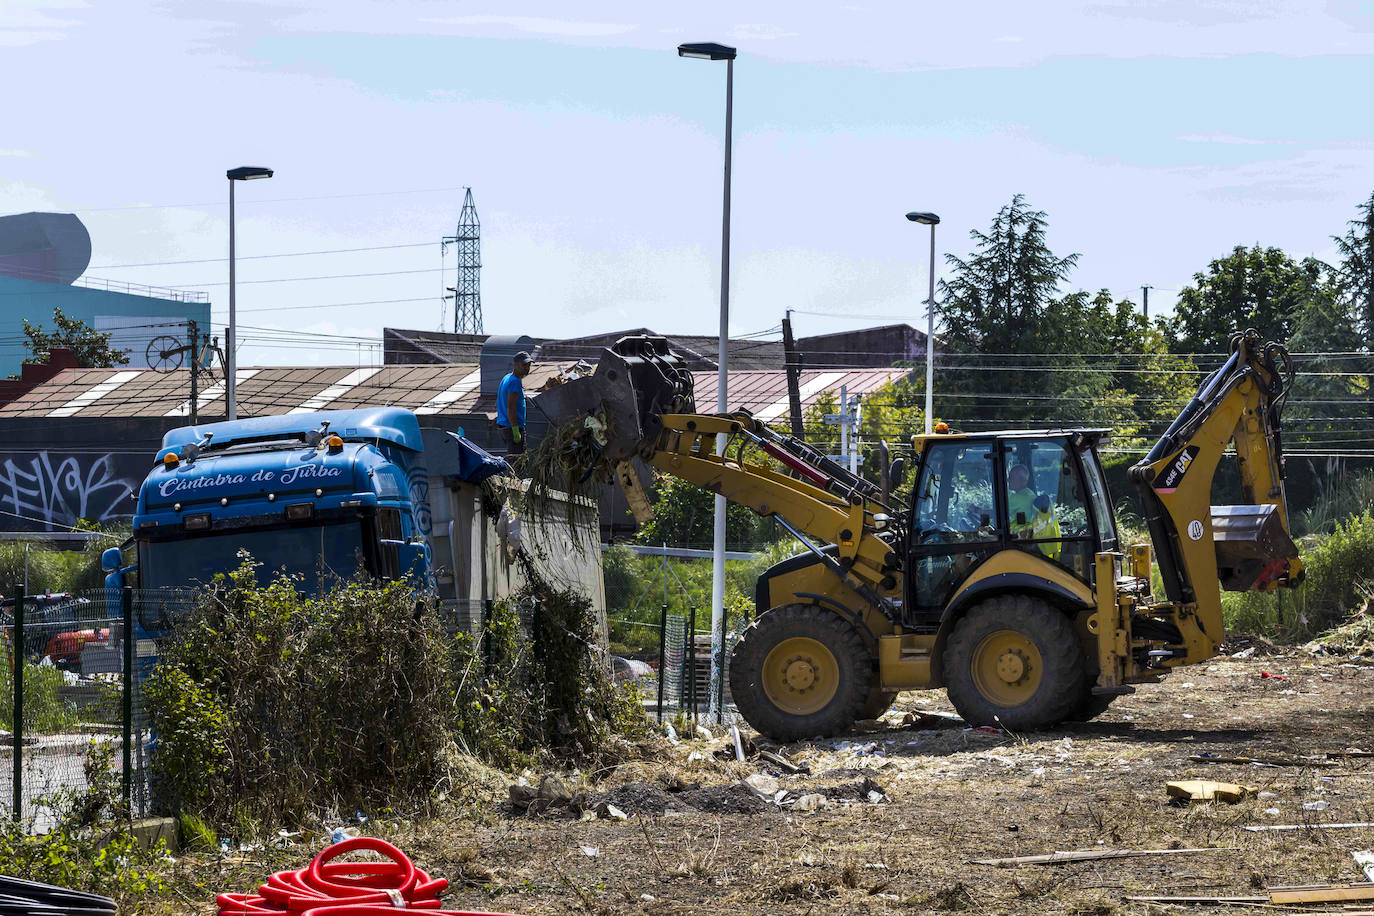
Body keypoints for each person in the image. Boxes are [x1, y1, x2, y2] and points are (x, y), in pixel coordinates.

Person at [1007, 463, 1061, 559]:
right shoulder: (1030, 494)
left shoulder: (1018, 498)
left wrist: (977, 510)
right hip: (1030, 543)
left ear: (1022, 480)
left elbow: (996, 514)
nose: (1008, 480)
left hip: (1021, 543)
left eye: (1011, 477)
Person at [496, 351, 533, 455]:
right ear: (516, 364)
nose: (527, 368)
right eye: (524, 365)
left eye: (529, 365)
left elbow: (501, 401)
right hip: (512, 428)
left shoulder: (507, 377)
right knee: (518, 463)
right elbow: (511, 407)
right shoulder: (515, 382)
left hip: (504, 426)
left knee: (514, 461)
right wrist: (515, 430)